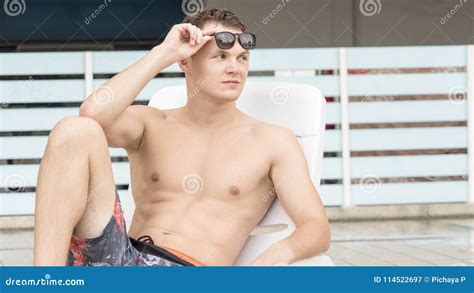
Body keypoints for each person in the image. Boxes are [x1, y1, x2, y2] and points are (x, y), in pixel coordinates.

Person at [33, 7, 330, 266]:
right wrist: (164, 52)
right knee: (74, 128)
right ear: (186, 62)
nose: (234, 68)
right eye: (221, 56)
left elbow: (316, 227)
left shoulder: (273, 142)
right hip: (118, 258)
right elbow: (91, 116)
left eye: (242, 58)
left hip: (185, 272)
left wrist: (278, 254)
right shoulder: (152, 123)